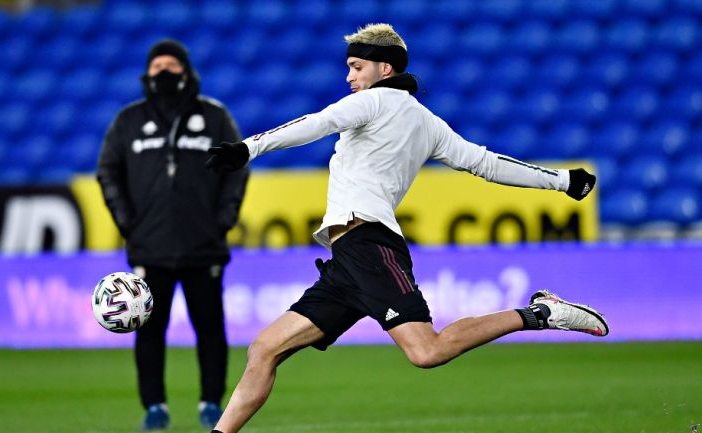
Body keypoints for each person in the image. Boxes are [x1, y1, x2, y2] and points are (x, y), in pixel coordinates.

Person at [204, 23, 607, 433]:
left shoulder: (373, 102)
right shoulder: (427, 122)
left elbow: (317, 123)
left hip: (369, 246)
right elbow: (488, 164)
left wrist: (248, 147)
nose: (349, 77)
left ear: (385, 69)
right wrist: (562, 181)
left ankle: (539, 313)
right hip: (348, 261)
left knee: (426, 351)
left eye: (356, 66)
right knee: (265, 348)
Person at [97, 39, 249, 431]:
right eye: (156, 65)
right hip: (150, 246)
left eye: (170, 64)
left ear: (185, 71)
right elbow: (107, 171)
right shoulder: (129, 120)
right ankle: (154, 408)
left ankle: (212, 404)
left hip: (205, 245)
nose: (162, 71)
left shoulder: (213, 117)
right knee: (147, 331)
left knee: (211, 330)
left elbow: (237, 168)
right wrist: (127, 222)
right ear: (146, 74)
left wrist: (223, 220)